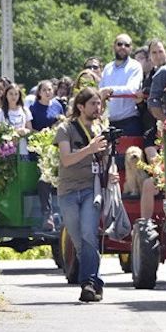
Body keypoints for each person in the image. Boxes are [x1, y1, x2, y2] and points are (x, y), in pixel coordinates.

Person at [55, 87, 112, 302]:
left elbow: (106, 159)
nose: (98, 108)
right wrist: (90, 148)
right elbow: (66, 159)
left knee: (89, 234)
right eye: (93, 104)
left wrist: (111, 173)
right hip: (68, 191)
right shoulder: (65, 129)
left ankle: (88, 283)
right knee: (79, 241)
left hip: (91, 189)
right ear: (80, 106)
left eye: (99, 104)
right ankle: (94, 282)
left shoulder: (101, 129)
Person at [29, 79, 64, 232]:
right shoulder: (33, 108)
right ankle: (47, 214)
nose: (48, 92)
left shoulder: (58, 106)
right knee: (45, 179)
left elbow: (63, 124)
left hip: (57, 146)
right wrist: (43, 135)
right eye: (44, 90)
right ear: (39, 93)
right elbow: (30, 128)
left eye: (50, 89)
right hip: (41, 148)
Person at [99, 33, 144, 138]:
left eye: (127, 45)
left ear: (131, 48)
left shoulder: (135, 66)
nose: (123, 47)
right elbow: (100, 91)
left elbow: (132, 89)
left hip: (129, 122)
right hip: (108, 123)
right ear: (114, 46)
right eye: (119, 44)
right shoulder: (107, 68)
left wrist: (110, 90)